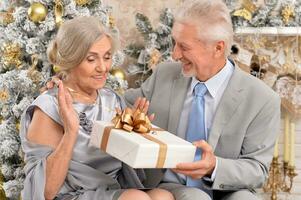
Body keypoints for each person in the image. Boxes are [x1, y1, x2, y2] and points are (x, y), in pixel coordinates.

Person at [124, 0, 281, 200]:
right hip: (172, 185)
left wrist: (214, 166)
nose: (175, 54)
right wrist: (132, 119)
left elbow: (257, 169)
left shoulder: (262, 98)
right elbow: (123, 107)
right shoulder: (164, 75)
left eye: (184, 47)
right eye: (174, 43)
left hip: (229, 188)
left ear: (218, 48)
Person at [20, 16, 175, 200]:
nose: (103, 68)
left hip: (111, 189)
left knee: (162, 196)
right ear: (72, 60)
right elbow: (45, 191)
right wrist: (71, 131)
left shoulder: (112, 99)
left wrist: (136, 130)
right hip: (69, 196)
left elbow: (128, 164)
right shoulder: (49, 108)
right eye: (91, 59)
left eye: (107, 57)